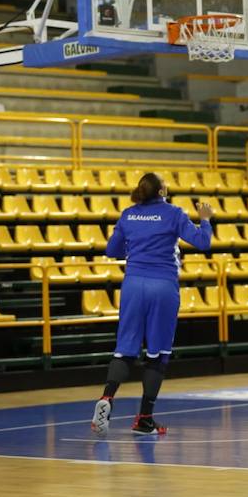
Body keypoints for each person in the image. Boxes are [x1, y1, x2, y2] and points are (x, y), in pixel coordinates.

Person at [91, 172, 214, 435]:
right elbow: (203, 243)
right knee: (157, 352)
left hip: (133, 284)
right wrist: (205, 220)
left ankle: (107, 398)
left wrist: (135, 250)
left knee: (125, 348)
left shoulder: (128, 214)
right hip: (162, 286)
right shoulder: (174, 213)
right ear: (160, 191)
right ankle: (144, 417)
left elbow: (112, 251)